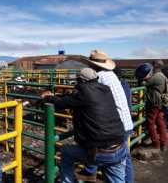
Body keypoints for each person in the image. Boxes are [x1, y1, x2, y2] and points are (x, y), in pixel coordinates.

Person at [41, 68, 127, 183]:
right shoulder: (106, 89)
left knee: (66, 152)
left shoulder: (83, 93)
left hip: (100, 151)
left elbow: (62, 103)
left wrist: (48, 97)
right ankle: (91, 173)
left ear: (80, 80)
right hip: (120, 146)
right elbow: (73, 99)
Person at [81, 50, 134, 183]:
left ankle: (90, 171)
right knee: (124, 158)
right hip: (126, 122)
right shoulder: (111, 75)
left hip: (115, 125)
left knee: (109, 157)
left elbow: (90, 97)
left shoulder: (99, 77)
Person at [135, 63, 167, 151]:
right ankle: (163, 143)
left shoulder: (156, 77)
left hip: (154, 102)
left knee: (150, 123)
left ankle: (155, 144)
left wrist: (142, 78)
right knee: (160, 122)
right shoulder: (161, 75)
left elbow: (143, 83)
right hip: (160, 102)